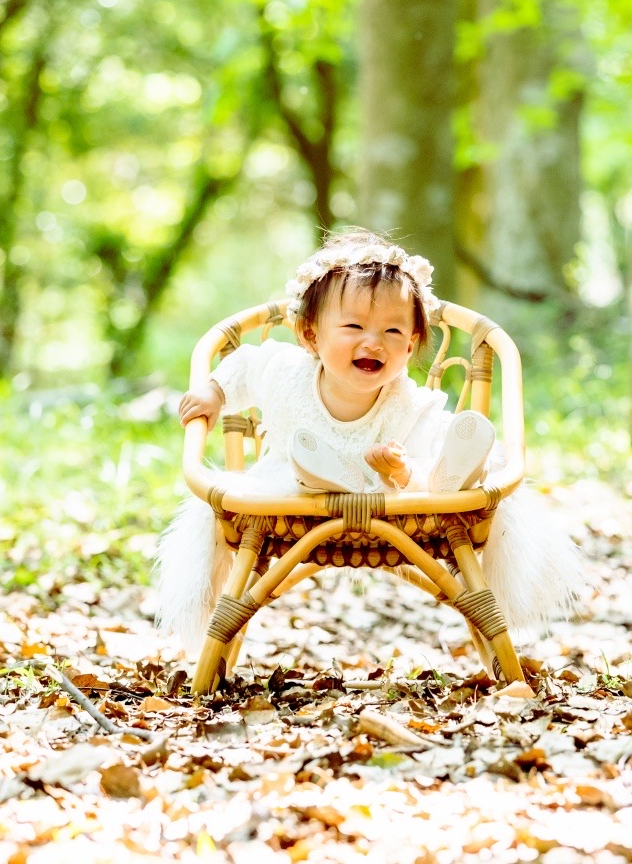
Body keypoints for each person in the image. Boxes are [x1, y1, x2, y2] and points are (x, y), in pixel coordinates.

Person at [154, 228, 589, 654]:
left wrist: (400, 470)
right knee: (303, 459)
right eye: (355, 325)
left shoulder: (403, 401)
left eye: (394, 333)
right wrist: (214, 393)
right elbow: (244, 366)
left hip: (384, 494)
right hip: (290, 488)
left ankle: (456, 474)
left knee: (432, 448)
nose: (373, 342)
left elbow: (414, 455)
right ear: (311, 335)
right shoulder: (286, 372)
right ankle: (323, 473)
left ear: (412, 344)